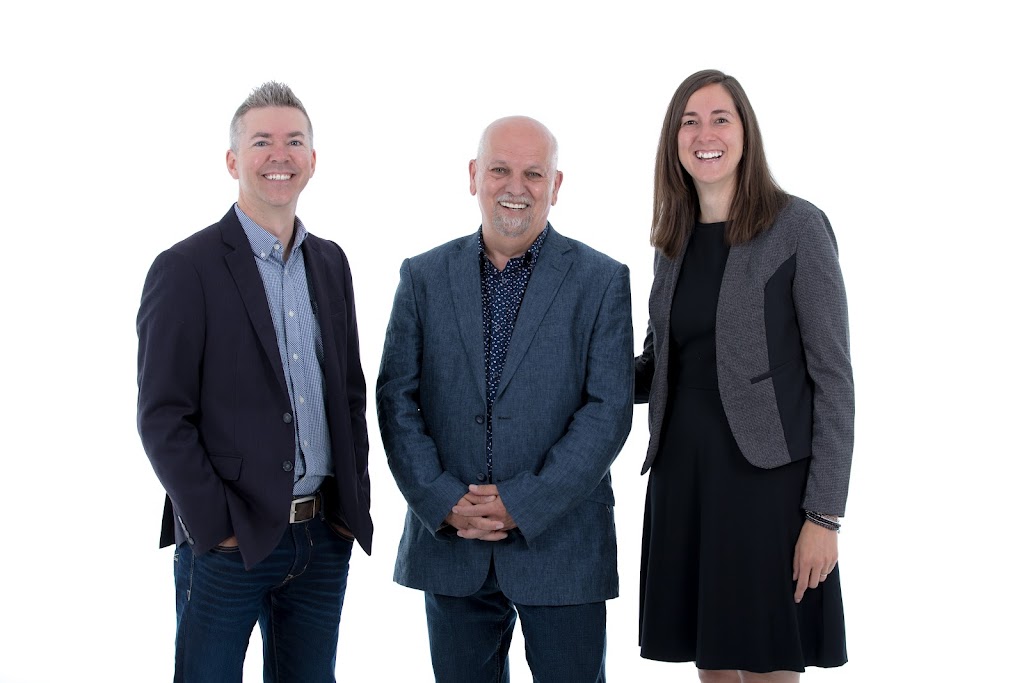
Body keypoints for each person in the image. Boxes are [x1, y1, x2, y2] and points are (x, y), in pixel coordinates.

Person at [377, 115, 633, 682]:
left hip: (562, 546)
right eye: (500, 170)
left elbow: (608, 411)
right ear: (474, 175)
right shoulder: (422, 277)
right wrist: (442, 500)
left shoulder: (602, 281)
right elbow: (396, 399)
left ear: (555, 185)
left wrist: (526, 502)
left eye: (533, 174)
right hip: (453, 541)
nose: (516, 187)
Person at [136, 81, 372, 682]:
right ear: (232, 160)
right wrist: (216, 527)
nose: (279, 155)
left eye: (294, 141)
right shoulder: (184, 268)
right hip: (229, 545)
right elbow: (162, 417)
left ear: (312, 160)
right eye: (262, 141)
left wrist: (350, 507)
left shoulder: (331, 262)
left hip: (321, 538)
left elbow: (349, 394)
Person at [634, 69, 853, 682]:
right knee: (711, 663)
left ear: (745, 132)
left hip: (767, 485)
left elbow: (834, 381)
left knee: (767, 663)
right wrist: (576, 369)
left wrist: (824, 517)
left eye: (720, 119)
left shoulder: (798, 226)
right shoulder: (672, 239)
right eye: (689, 122)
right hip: (684, 477)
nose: (705, 135)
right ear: (674, 139)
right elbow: (659, 364)